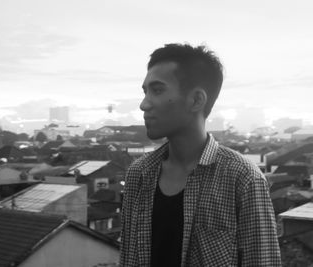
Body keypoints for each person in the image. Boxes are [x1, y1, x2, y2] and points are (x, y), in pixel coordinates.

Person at [120, 43, 281, 266]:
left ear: (196, 100)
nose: (144, 104)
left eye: (157, 90)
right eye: (145, 91)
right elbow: (128, 258)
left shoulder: (242, 179)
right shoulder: (139, 174)